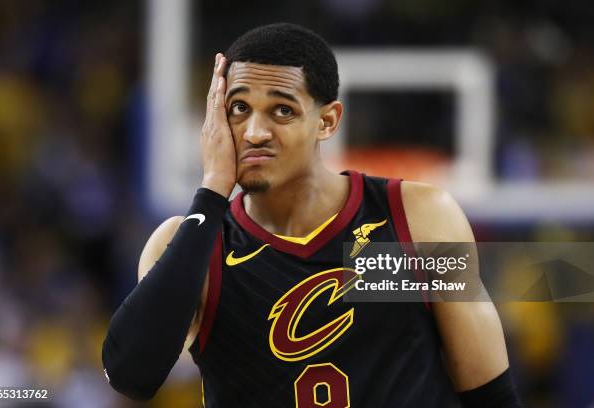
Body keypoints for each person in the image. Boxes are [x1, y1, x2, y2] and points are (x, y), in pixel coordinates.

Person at [102, 23, 521, 407]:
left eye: (282, 110)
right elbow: (132, 375)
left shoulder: (417, 216)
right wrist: (212, 190)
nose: (254, 132)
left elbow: (491, 395)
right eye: (239, 108)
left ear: (327, 121)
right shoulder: (191, 244)